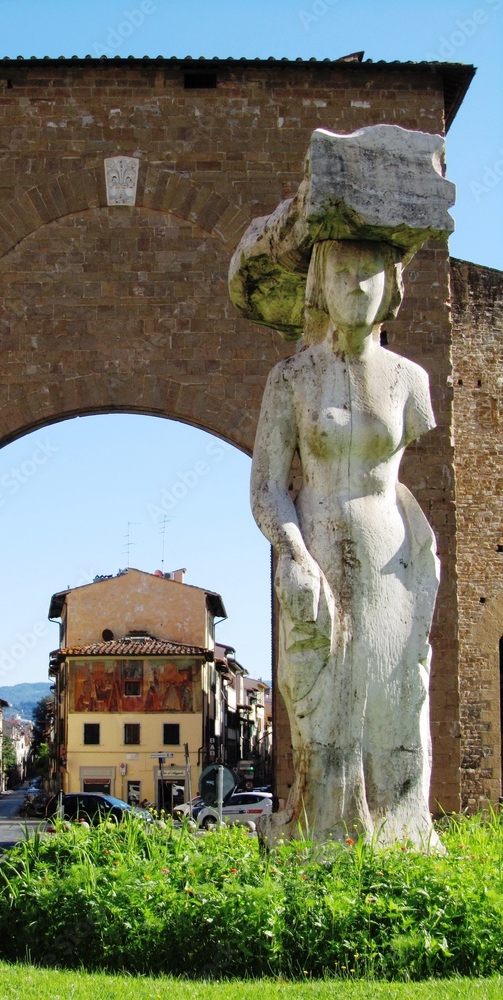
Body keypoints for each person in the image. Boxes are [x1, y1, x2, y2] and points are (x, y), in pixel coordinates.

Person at [251, 238, 440, 848]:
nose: (357, 286)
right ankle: (320, 839)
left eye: (371, 273)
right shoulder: (294, 378)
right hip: (319, 552)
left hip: (392, 562)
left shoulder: (411, 380)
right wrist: (295, 556)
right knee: (322, 711)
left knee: (396, 699)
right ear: (321, 286)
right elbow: (266, 487)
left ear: (392, 286)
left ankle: (399, 839)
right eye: (343, 273)